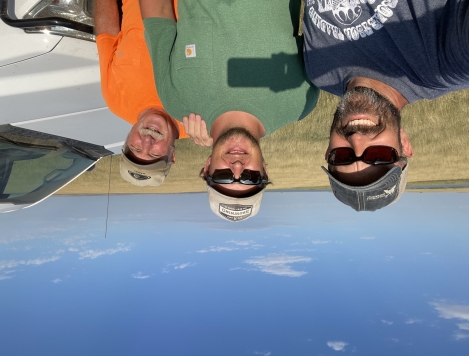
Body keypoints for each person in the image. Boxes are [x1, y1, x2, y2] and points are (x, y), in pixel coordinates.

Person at [140, 0, 319, 221]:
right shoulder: (300, 101)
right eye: (250, 178)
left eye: (224, 177)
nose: (236, 167)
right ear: (264, 170)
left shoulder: (176, 101)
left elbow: (157, 14)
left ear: (207, 168)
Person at [302, 0, 469, 211]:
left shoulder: (319, 71)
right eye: (378, 156)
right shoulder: (444, 65)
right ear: (404, 144)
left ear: (329, 152)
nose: (356, 139)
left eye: (342, 157)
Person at [94, 0, 188, 186]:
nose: (147, 141)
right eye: (154, 153)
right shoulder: (199, 118)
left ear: (127, 139)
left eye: (135, 147)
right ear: (172, 154)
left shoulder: (116, 100)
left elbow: (107, 35)